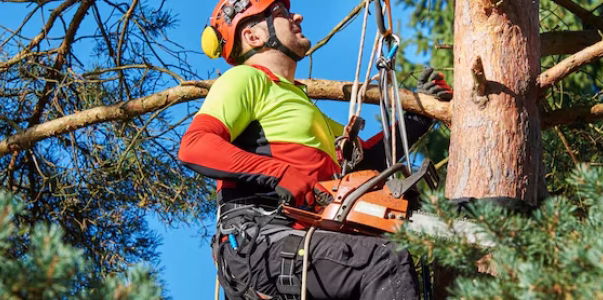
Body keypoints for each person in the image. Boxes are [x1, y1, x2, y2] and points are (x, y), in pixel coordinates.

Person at [179, 0, 452, 299]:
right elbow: (195, 145)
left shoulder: (306, 110)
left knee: (392, 263)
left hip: (305, 243)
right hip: (259, 239)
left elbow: (366, 163)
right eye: (281, 14)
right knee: (382, 259)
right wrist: (278, 173)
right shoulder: (246, 79)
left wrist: (417, 118)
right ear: (253, 36)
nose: (298, 16)